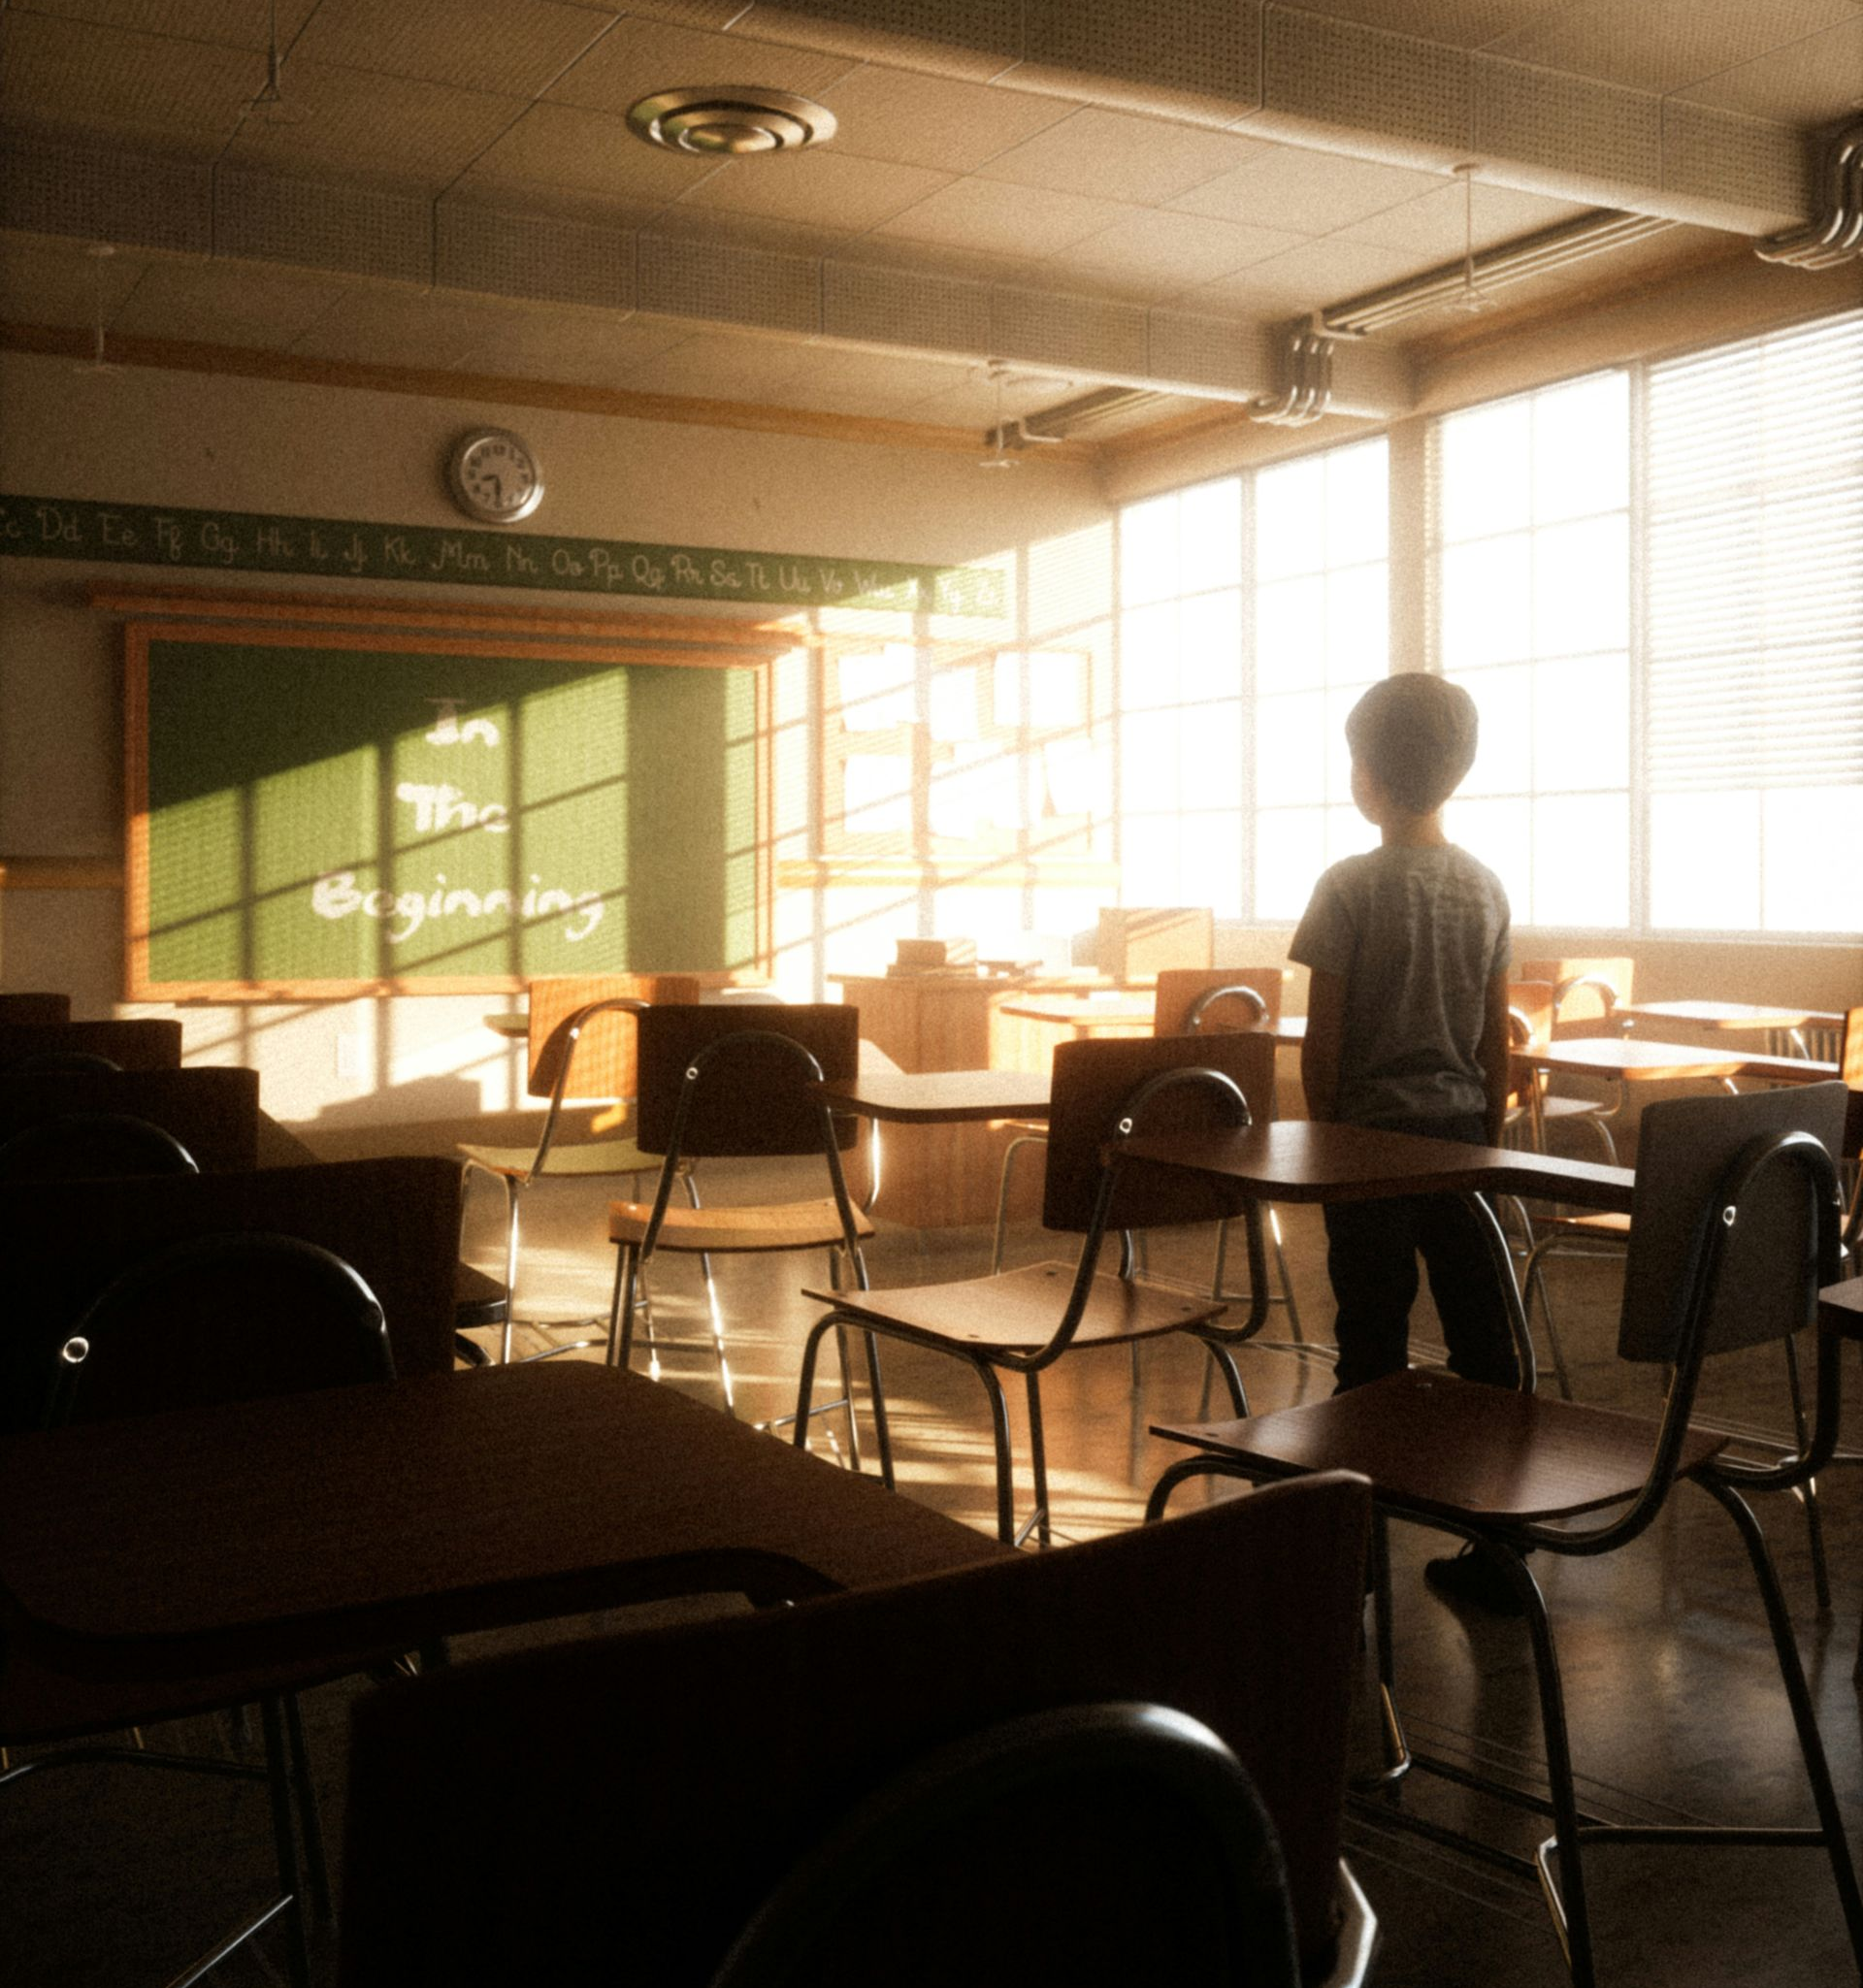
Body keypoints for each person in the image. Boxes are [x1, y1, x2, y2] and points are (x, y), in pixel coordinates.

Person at [1289, 671, 1520, 1611]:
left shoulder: (1347, 886)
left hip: (1367, 1141)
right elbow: (1494, 1036)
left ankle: (1352, 1552)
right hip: (1461, 1134)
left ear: (1364, 777)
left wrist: (1323, 1140)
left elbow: (1325, 1041)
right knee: (1484, 1337)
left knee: (1370, 1336)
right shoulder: (1485, 885)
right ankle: (1500, 1549)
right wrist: (1486, 1134)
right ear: (1457, 772)